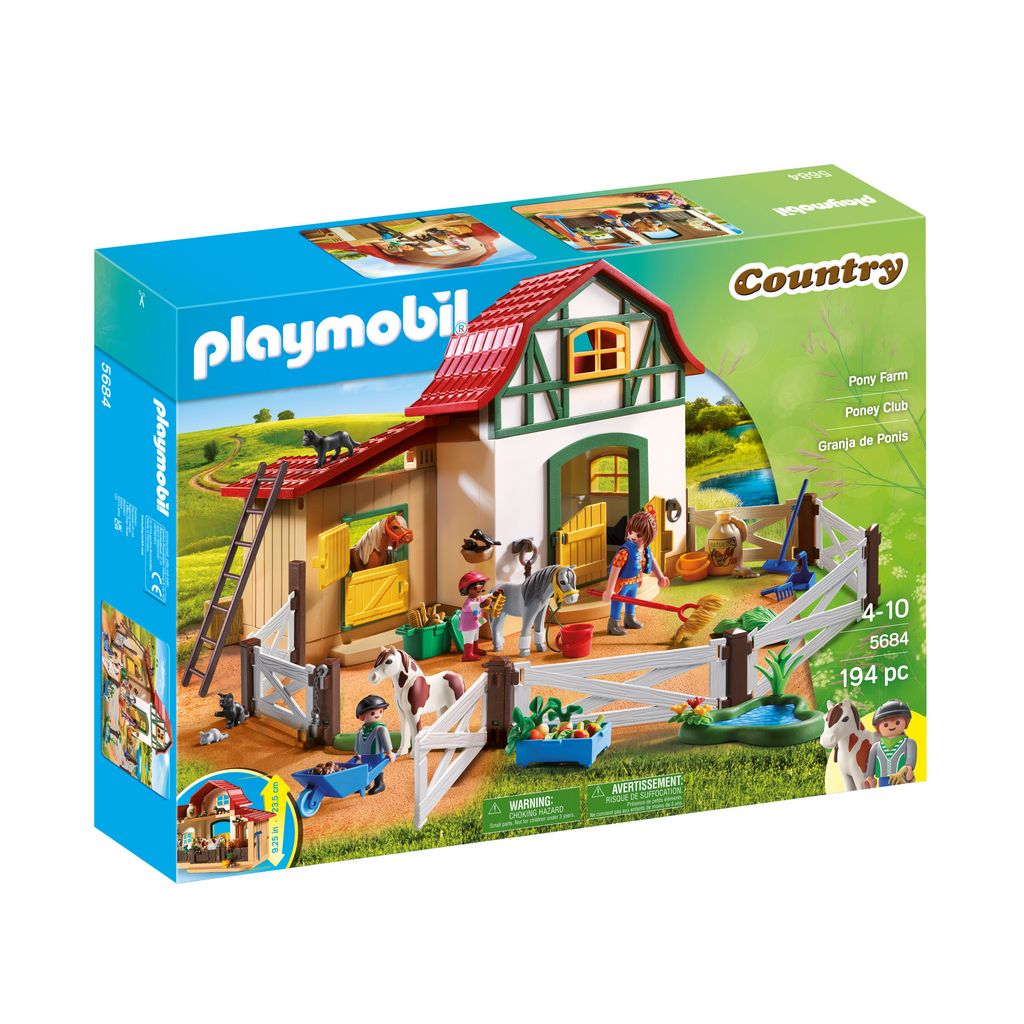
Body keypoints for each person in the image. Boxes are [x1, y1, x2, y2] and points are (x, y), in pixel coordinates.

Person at [601, 505, 670, 636]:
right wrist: (609, 589)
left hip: (635, 582)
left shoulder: (645, 549)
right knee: (618, 602)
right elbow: (615, 569)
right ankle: (613, 623)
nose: (632, 537)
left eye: (638, 535)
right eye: (630, 532)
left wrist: (660, 577)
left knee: (631, 600)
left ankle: (629, 618)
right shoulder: (624, 552)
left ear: (648, 536)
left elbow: (652, 561)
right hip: (622, 583)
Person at [863, 700, 917, 788]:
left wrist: (909, 769)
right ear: (878, 728)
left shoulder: (909, 743)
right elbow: (871, 764)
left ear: (906, 723)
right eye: (886, 725)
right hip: (883, 779)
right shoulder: (876, 747)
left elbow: (910, 760)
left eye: (897, 722)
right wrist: (870, 777)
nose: (891, 726)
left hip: (901, 778)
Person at [353, 694, 396, 795]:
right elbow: (359, 742)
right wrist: (357, 752)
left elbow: (386, 741)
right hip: (365, 755)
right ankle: (366, 783)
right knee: (365, 768)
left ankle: (379, 784)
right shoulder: (361, 730)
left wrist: (389, 752)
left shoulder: (380, 728)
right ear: (361, 716)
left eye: (380, 711)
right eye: (372, 713)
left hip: (377, 754)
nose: (377, 714)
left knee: (377, 768)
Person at [458, 571, 492, 662]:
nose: (480, 589)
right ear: (467, 589)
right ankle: (467, 655)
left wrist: (493, 594)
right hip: (468, 626)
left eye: (481, 586)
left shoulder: (477, 598)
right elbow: (470, 607)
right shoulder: (468, 603)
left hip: (475, 623)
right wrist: (481, 605)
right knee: (469, 638)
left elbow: (484, 597)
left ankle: (475, 649)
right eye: (476, 587)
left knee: (475, 636)